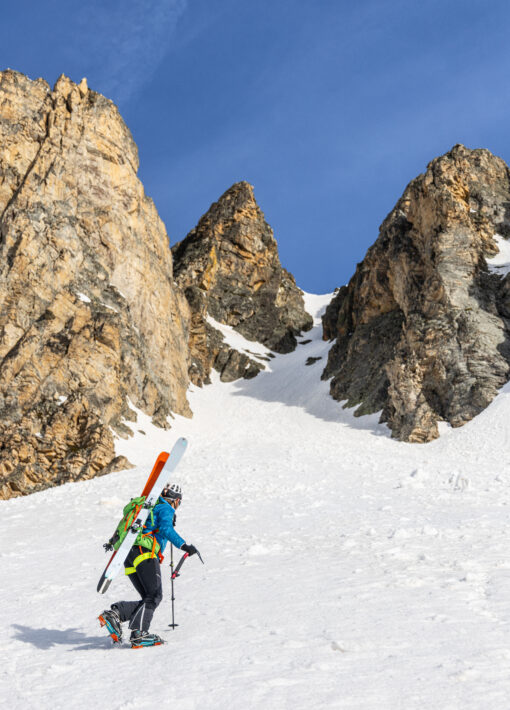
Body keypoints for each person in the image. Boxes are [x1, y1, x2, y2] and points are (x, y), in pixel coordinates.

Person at [98, 483, 199, 648]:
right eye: (179, 502)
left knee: (149, 598)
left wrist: (111, 541)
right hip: (144, 551)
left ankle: (116, 614)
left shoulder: (147, 506)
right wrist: (184, 545)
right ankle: (139, 634)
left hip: (128, 555)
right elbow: (166, 529)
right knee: (154, 596)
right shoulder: (166, 508)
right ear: (175, 500)